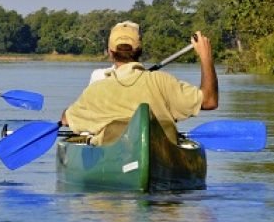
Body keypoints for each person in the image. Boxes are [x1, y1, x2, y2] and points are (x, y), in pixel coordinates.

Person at [61, 22, 218, 146]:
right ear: (140, 50)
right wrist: (205, 57)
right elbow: (210, 101)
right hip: (161, 152)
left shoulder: (96, 91)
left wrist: (68, 113)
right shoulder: (162, 81)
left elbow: (66, 120)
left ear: (110, 52)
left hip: (114, 155)